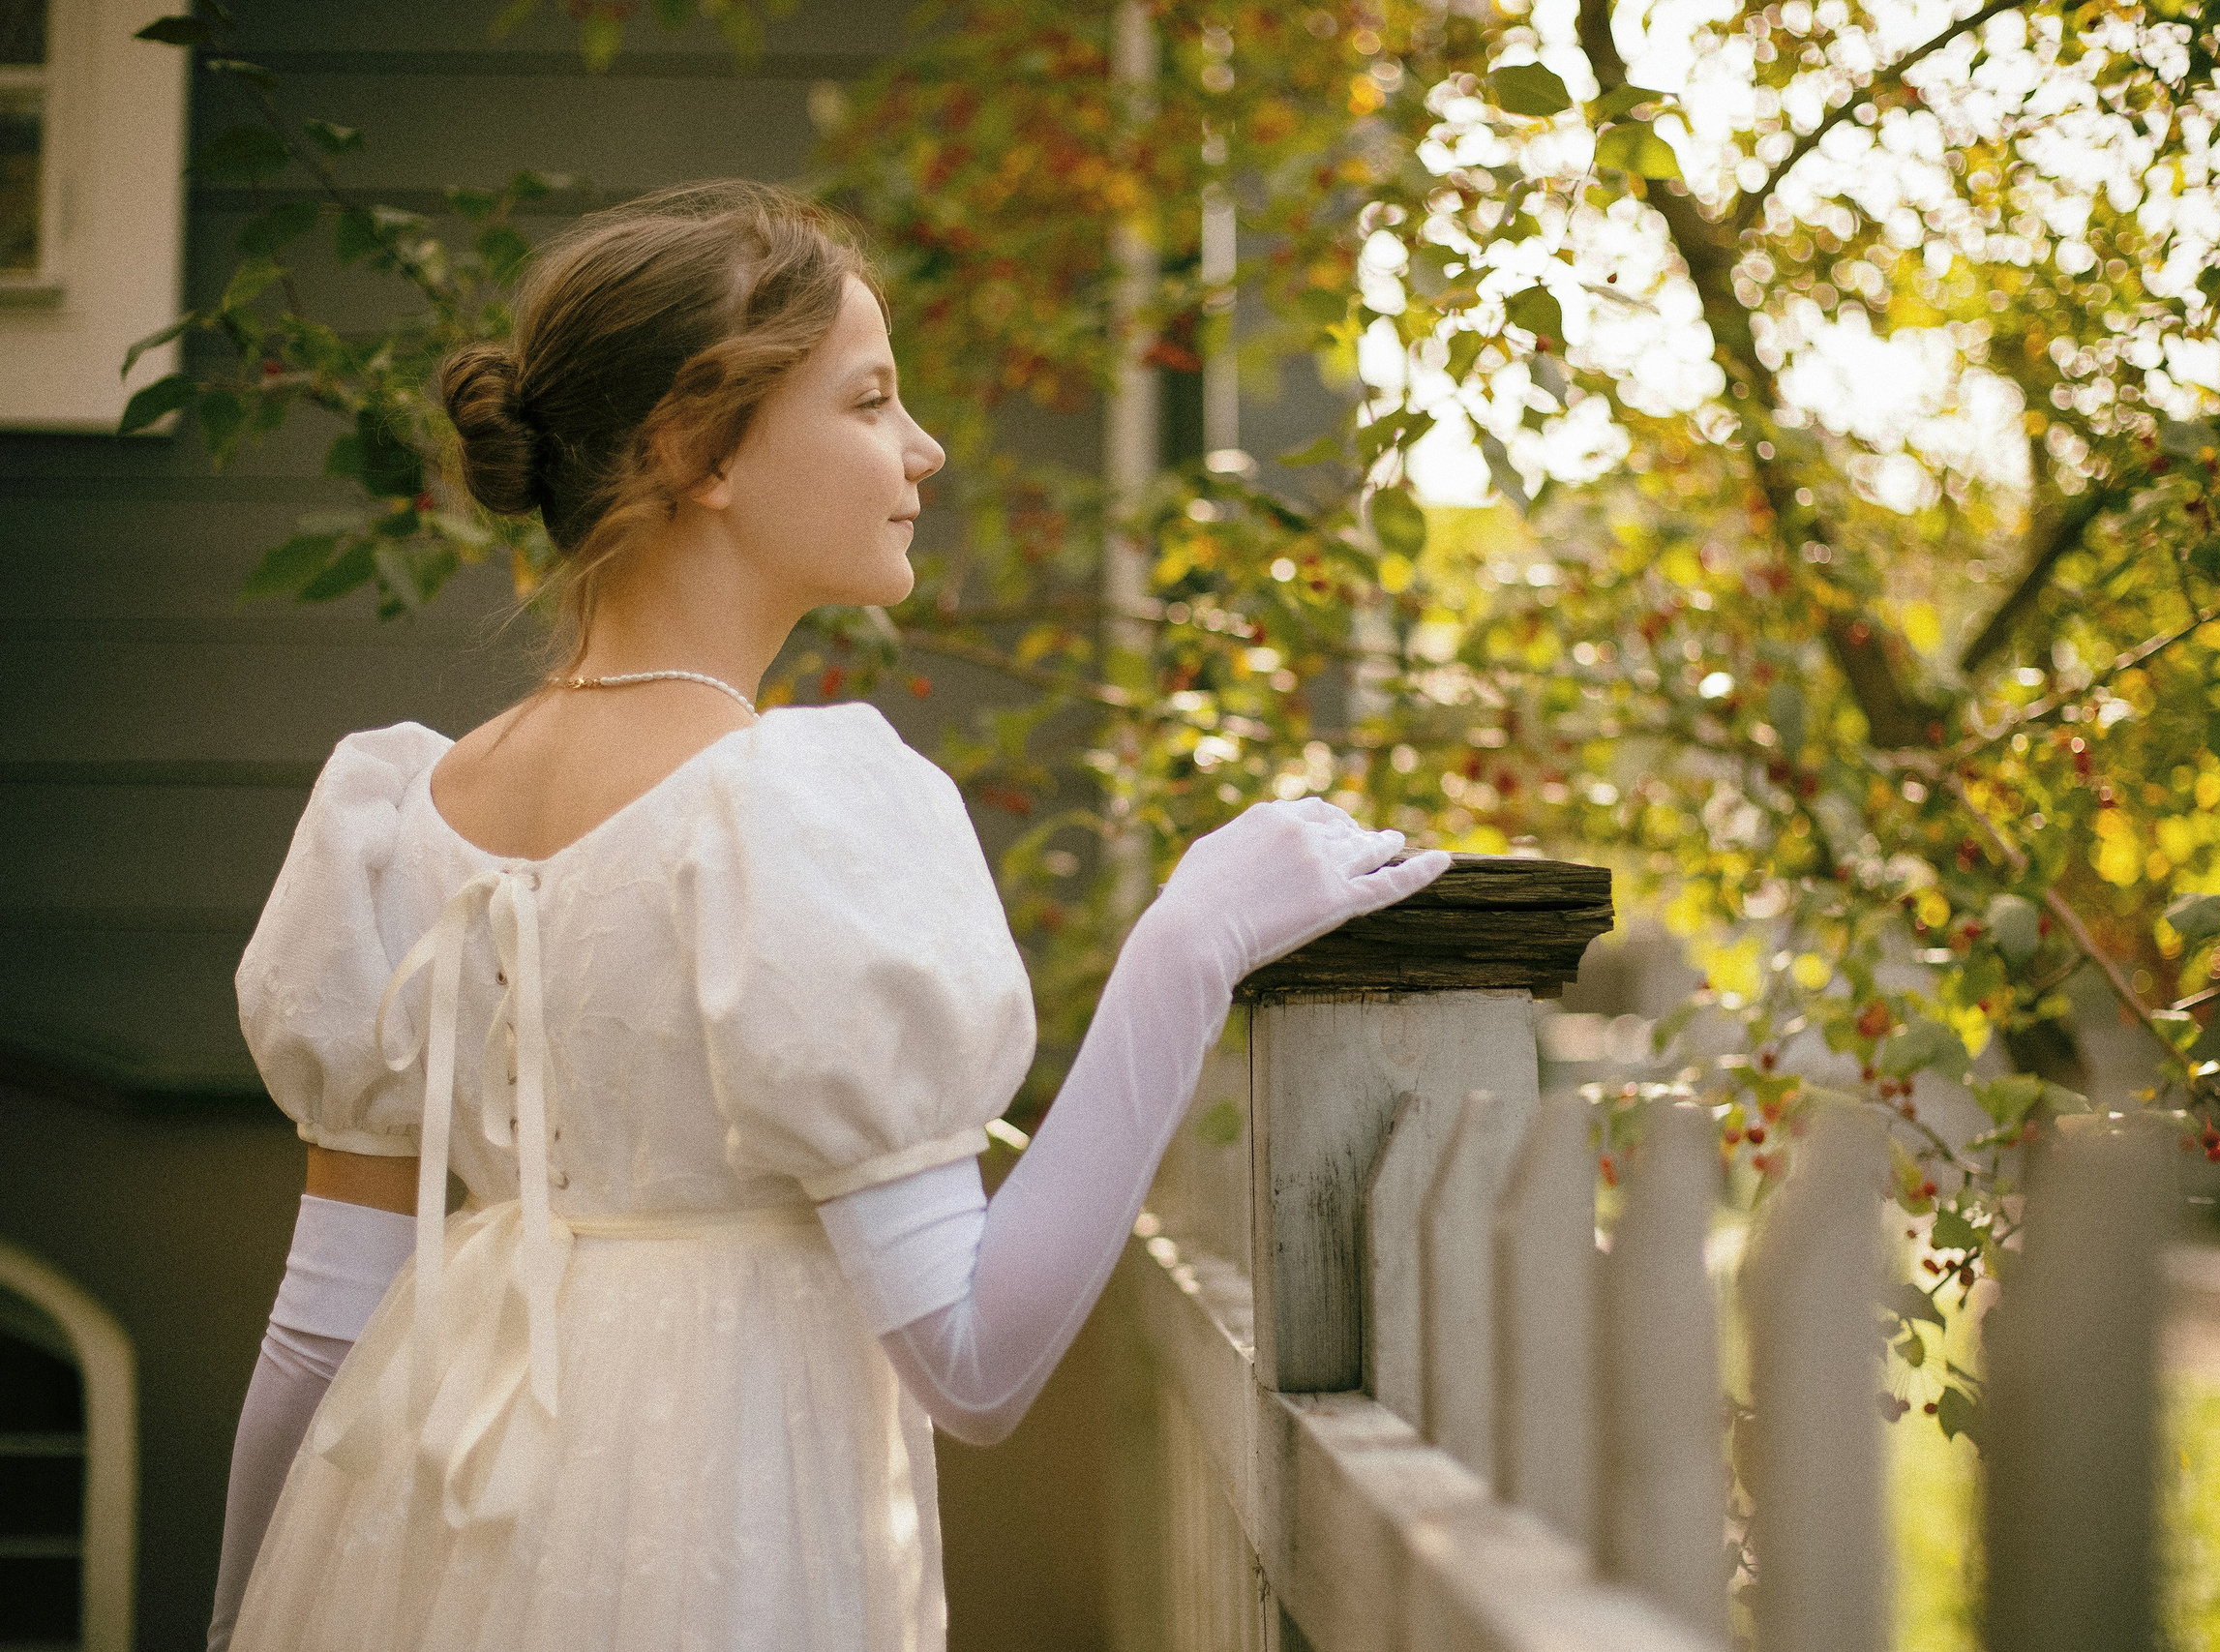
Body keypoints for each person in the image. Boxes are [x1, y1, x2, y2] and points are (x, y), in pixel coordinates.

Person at [205, 180, 1449, 1651]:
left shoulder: (394, 819)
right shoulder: (791, 812)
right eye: (868, 401)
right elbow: (975, 1365)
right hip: (710, 1554)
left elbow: (316, 1339)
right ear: (698, 450)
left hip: (398, 1572)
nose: (923, 449)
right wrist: (1192, 945)